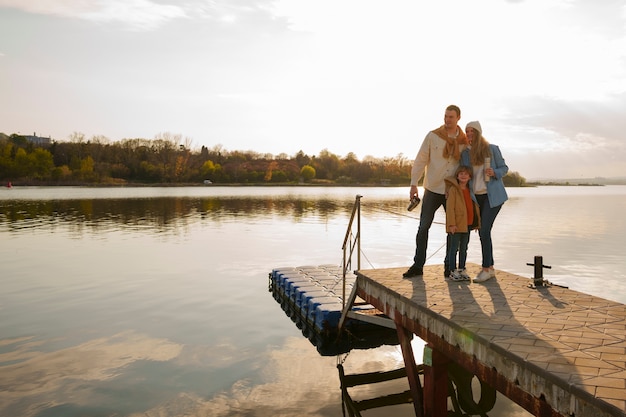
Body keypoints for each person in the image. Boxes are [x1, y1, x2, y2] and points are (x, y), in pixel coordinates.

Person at [403, 105, 468, 278]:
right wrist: (413, 183)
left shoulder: (463, 141)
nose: (447, 120)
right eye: (445, 116)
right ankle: (418, 265)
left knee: (453, 229)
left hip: (452, 191)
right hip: (432, 188)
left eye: (451, 117)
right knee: (424, 226)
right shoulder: (433, 136)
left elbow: (466, 167)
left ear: (458, 118)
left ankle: (449, 266)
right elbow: (420, 159)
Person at [461, 121, 508, 283]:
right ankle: (491, 268)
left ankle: (486, 268)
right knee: (483, 231)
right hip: (477, 198)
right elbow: (463, 173)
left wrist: (495, 172)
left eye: (472, 131)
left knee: (484, 231)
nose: (469, 134)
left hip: (492, 197)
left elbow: (504, 168)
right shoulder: (466, 154)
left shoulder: (492, 149)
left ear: (479, 133)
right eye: (467, 132)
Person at [444, 165, 480, 281]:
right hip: (456, 225)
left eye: (466, 174)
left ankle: (462, 269)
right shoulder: (454, 190)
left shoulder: (470, 190)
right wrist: (452, 224)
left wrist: (476, 223)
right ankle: (452, 270)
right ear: (457, 176)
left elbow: (474, 207)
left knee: (464, 248)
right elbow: (450, 208)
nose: (463, 176)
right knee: (454, 248)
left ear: (470, 177)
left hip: (468, 224)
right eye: (461, 174)